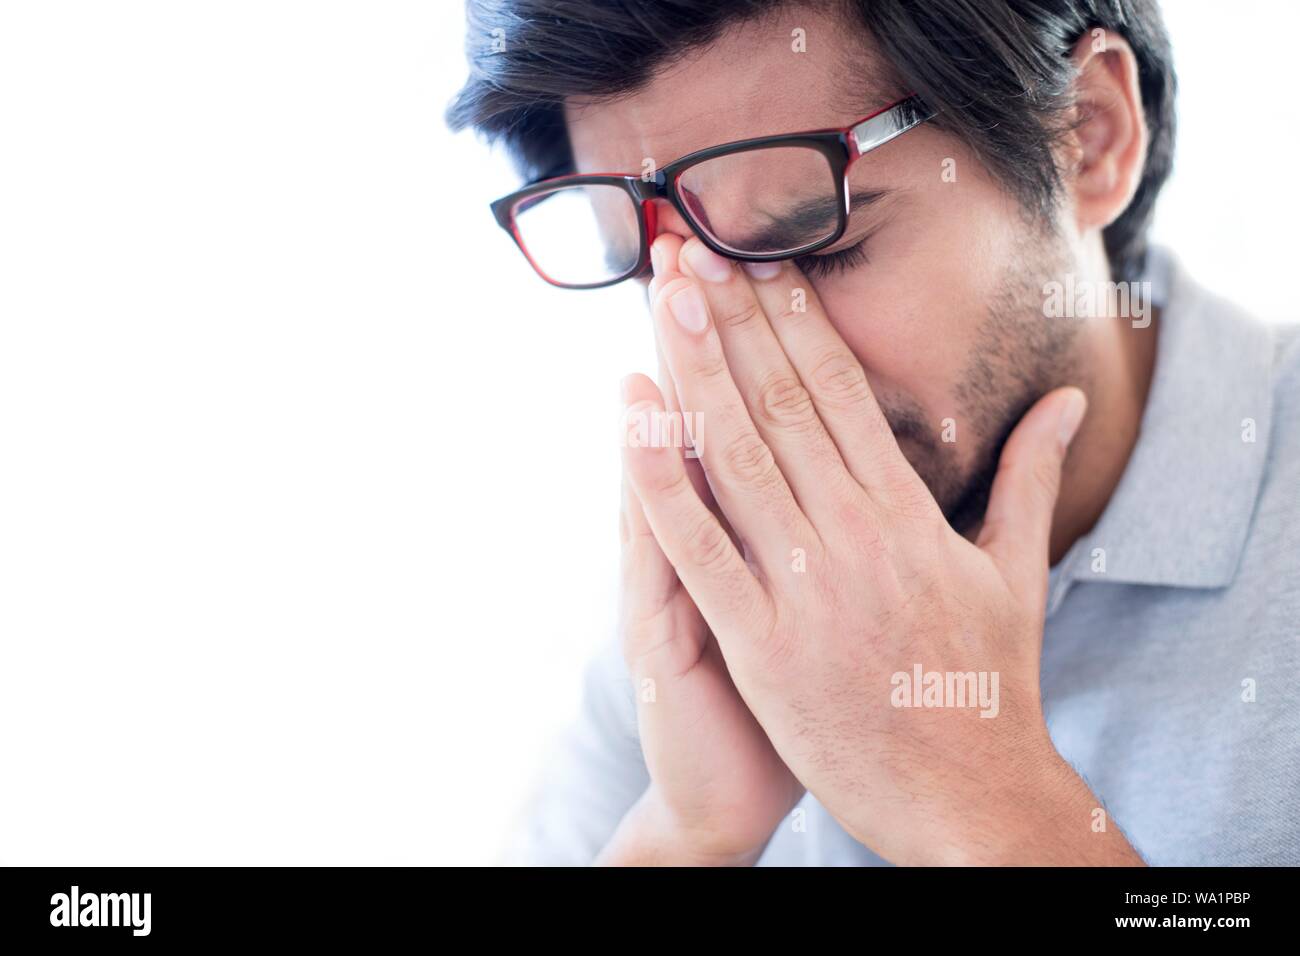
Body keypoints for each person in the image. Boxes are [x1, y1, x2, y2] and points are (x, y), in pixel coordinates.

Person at [448, 0, 1300, 865]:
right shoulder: (708, 612)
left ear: (1089, 133)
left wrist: (983, 796)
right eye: (662, 281)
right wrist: (690, 833)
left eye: (821, 247)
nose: (753, 371)